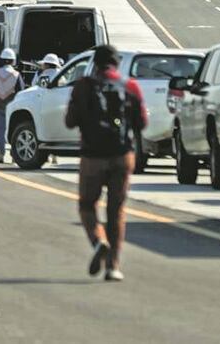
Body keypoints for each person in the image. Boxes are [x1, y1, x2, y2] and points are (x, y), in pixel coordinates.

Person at [64, 44, 146, 282]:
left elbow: (70, 121)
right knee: (116, 210)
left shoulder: (83, 86)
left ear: (95, 64)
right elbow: (141, 123)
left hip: (92, 156)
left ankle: (99, 240)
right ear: (117, 63)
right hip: (122, 155)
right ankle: (113, 266)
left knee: (88, 205)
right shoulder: (129, 86)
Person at [0, 48, 23, 164]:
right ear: (13, 61)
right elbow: (20, 91)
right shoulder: (16, 74)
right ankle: (14, 155)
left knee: (0, 130)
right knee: (13, 130)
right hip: (12, 105)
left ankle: (1, 153)